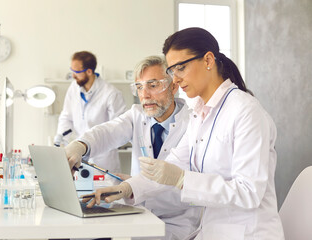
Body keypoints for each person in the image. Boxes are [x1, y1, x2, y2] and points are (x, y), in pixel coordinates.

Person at [84, 27, 285, 240]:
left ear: (208, 60)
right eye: (172, 71)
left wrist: (182, 180)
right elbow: (171, 166)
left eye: (181, 68)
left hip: (247, 233)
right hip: (212, 230)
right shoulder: (201, 113)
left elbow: (249, 192)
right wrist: (126, 188)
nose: (176, 79)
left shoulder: (246, 112)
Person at [66, 55, 202, 240]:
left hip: (178, 223)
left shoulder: (194, 124)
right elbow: (107, 132)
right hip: (140, 217)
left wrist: (131, 186)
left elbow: (178, 176)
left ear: (173, 86)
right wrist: (80, 145)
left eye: (153, 85)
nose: (145, 95)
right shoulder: (137, 115)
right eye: (139, 87)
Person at [55, 51, 126, 172]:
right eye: (71, 70)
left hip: (103, 159)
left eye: (76, 72)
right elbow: (66, 117)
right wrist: (60, 138)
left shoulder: (111, 93)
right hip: (79, 153)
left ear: (89, 71)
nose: (73, 75)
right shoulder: (74, 88)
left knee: (104, 189)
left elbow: (119, 128)